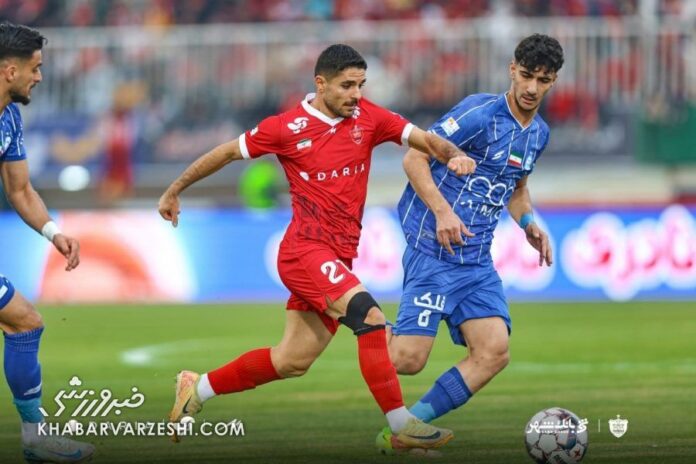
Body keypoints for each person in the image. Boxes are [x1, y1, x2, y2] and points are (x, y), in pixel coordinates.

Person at [158, 43, 476, 451]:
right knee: (371, 317)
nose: (356, 94)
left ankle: (197, 388)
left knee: (292, 360)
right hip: (304, 251)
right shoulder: (285, 128)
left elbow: (425, 140)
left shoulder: (369, 117)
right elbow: (226, 153)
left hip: (337, 256)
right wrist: (175, 189)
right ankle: (401, 424)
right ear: (320, 84)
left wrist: (453, 154)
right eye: (347, 86)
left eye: (360, 85)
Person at [376, 34, 564, 452]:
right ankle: (364, 324)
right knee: (407, 360)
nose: (532, 87)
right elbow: (414, 157)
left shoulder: (539, 134)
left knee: (494, 351)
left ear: (553, 81)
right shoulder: (479, 113)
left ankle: (404, 431)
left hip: (476, 261)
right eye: (527, 75)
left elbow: (517, 189)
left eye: (543, 80)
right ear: (512, 70)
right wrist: (443, 212)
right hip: (433, 249)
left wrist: (529, 223)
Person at [0, 22, 94, 462]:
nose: (39, 77)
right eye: (34, 68)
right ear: (9, 70)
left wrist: (54, 232)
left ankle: (35, 439)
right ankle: (35, 439)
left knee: (24, 322)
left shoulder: (9, 119)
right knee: (24, 321)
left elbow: (20, 190)